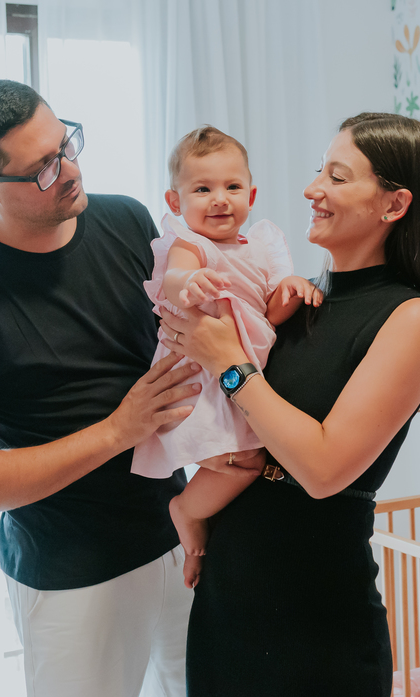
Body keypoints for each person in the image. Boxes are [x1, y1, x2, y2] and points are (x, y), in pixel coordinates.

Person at [160, 112, 420, 696]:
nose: (311, 189)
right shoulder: (301, 300)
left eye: (337, 177)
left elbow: (323, 470)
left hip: (316, 624)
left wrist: (229, 361)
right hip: (228, 602)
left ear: (394, 204)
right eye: (318, 171)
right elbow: (245, 421)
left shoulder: (412, 317)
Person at [0, 79, 200, 697]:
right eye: (41, 168)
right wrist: (118, 430)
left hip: (181, 534)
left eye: (66, 145)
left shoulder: (127, 220)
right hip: (72, 574)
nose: (68, 171)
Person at [130, 126, 322, 589]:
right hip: (199, 375)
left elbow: (270, 313)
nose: (220, 199)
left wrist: (292, 289)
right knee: (244, 461)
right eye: (202, 189)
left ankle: (198, 526)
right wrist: (189, 282)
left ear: (250, 195)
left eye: (232, 187)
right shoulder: (190, 244)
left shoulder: (262, 247)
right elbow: (174, 278)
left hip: (244, 368)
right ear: (175, 202)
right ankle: (186, 510)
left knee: (246, 461)